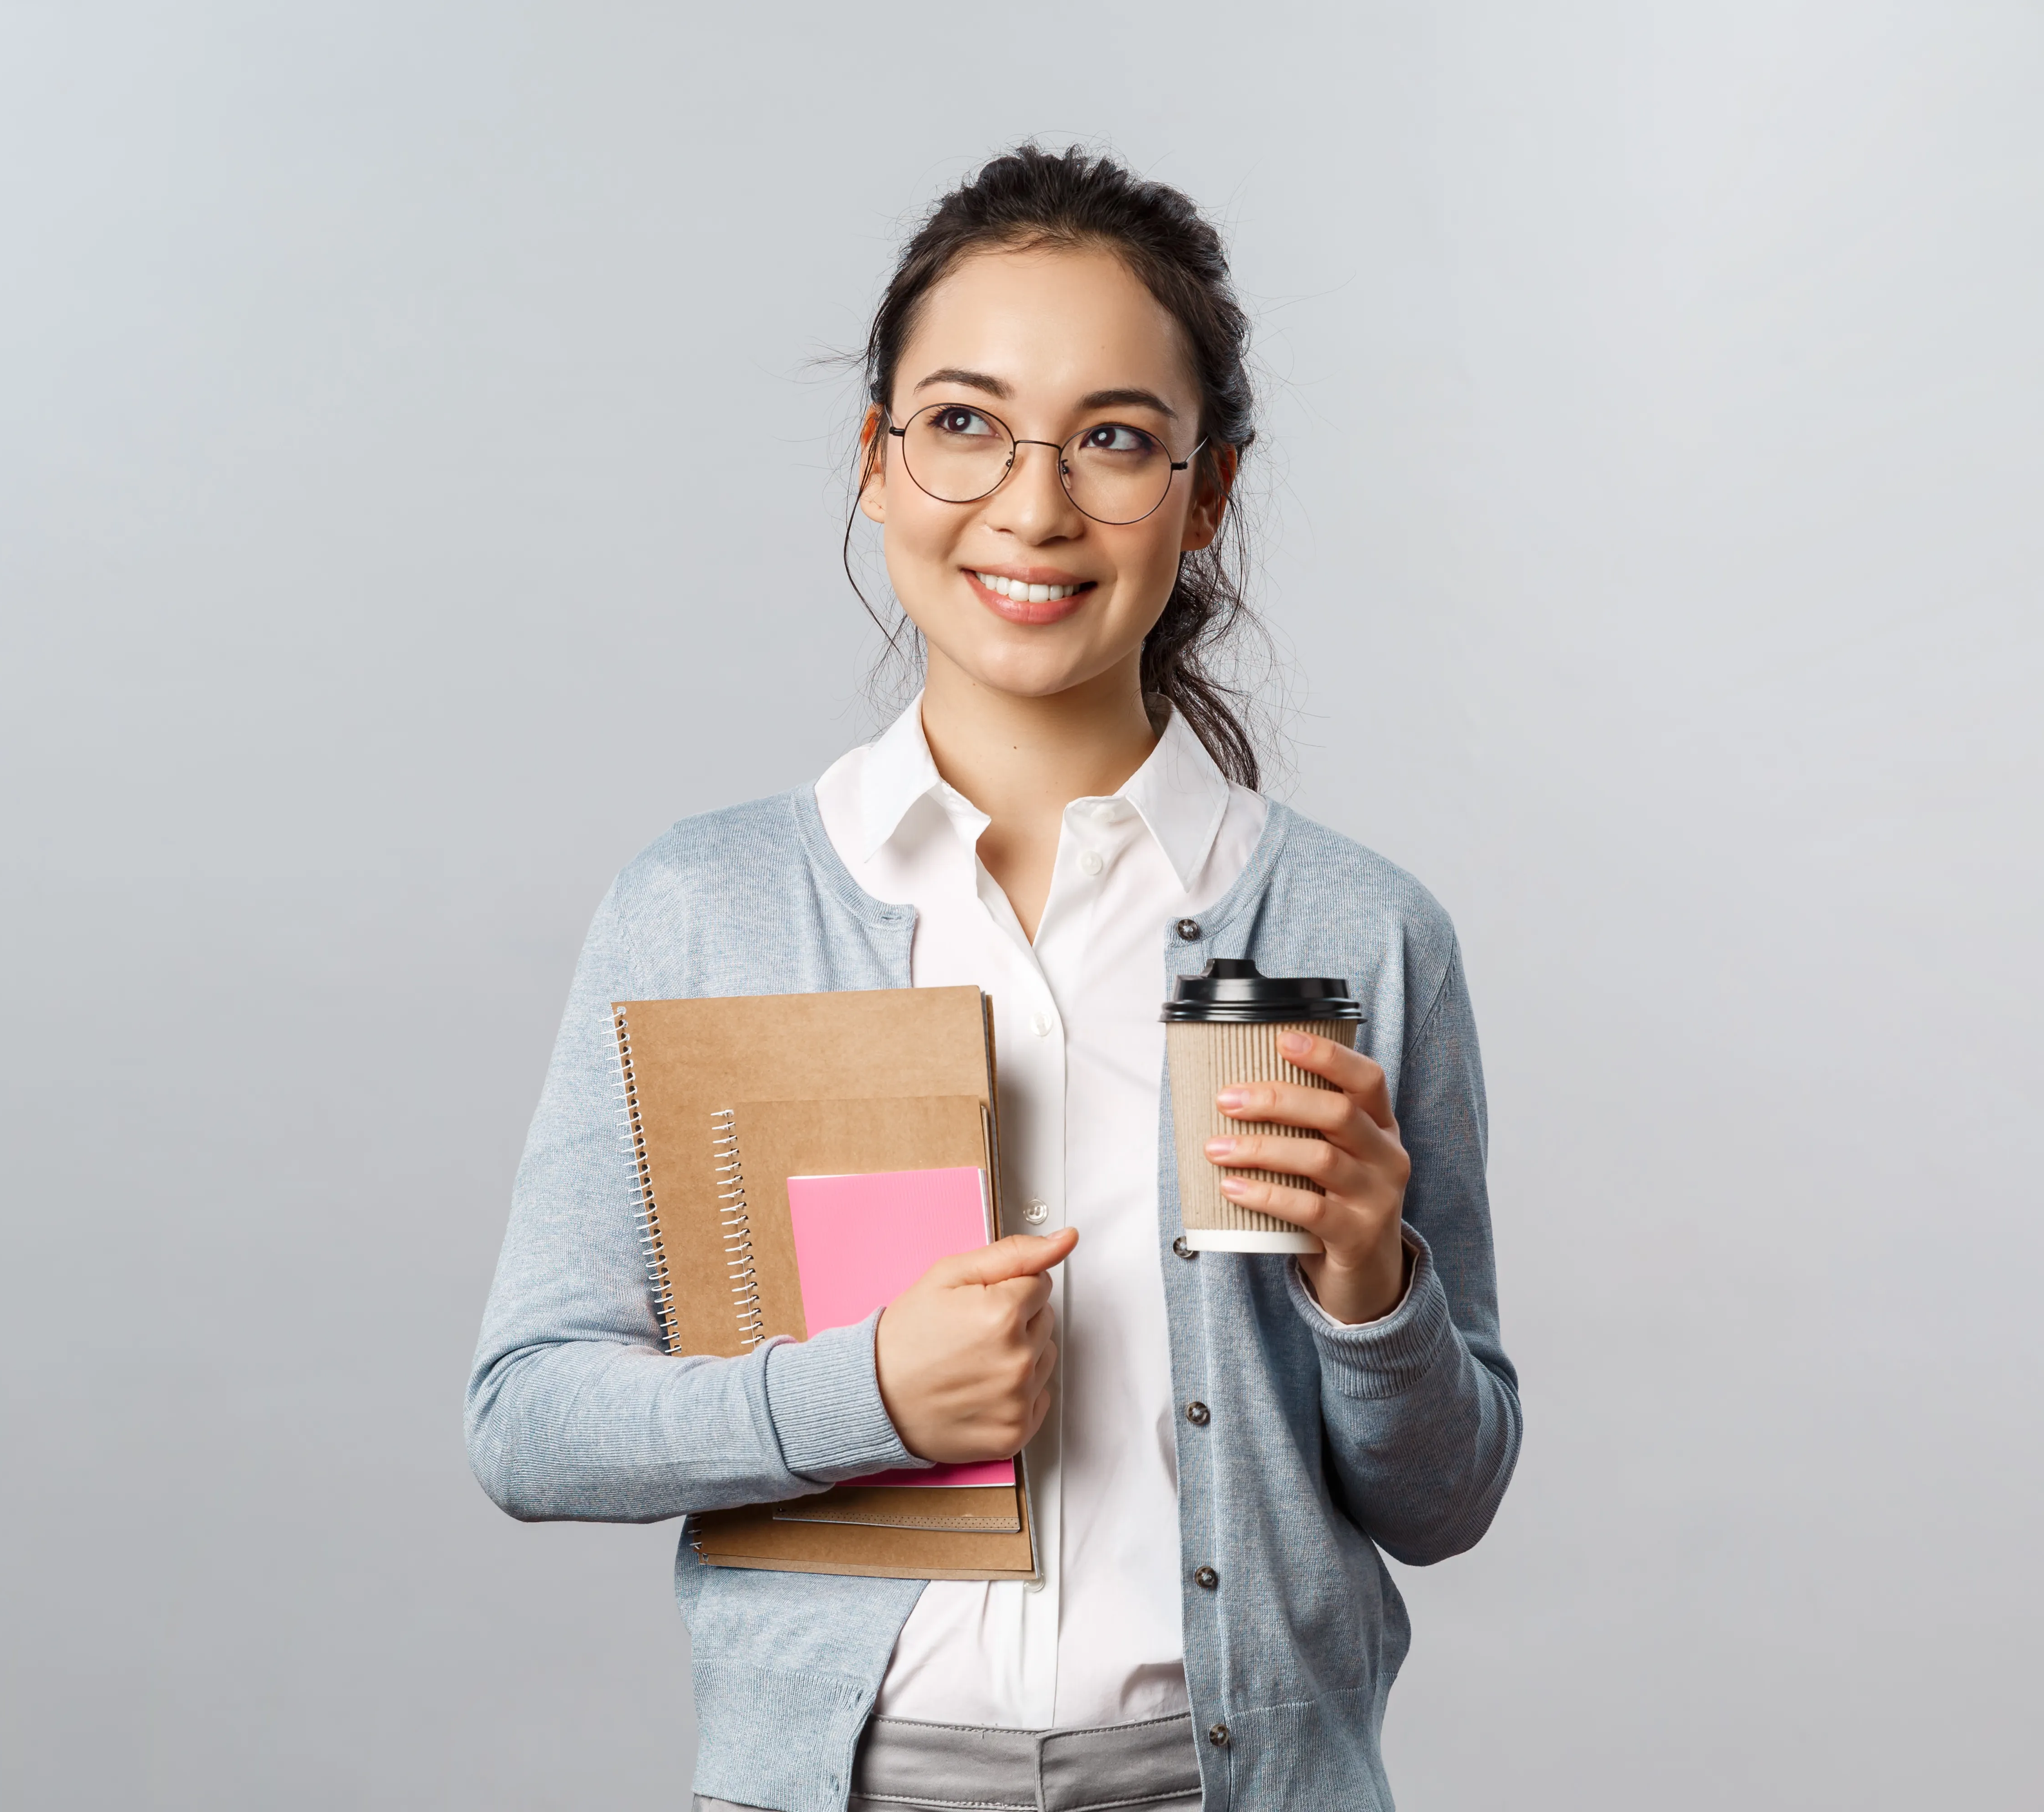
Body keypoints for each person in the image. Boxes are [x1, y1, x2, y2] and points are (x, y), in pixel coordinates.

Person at [468, 144, 1521, 1812]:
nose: (1035, 509)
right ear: (875, 462)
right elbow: (529, 1422)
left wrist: (1370, 1287)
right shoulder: (705, 909)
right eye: (964, 422)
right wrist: (871, 1393)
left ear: (1208, 495)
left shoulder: (1358, 932)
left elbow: (1447, 1499)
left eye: (1116, 439)